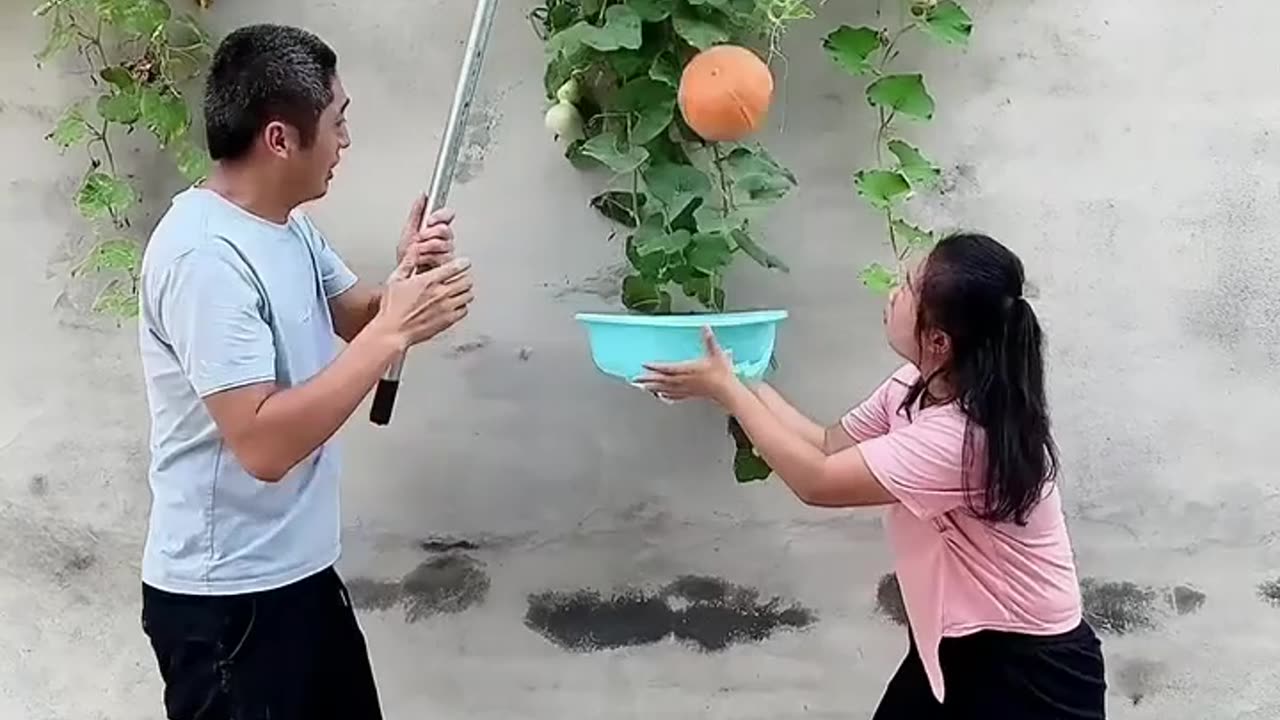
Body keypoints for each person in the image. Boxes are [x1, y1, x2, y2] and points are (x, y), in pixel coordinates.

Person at [136, 23, 473, 719]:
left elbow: (357, 315)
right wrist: (391, 332)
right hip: (226, 606)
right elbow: (263, 445)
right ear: (280, 138)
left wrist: (406, 278)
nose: (345, 139)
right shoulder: (204, 260)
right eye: (337, 121)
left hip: (300, 579)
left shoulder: (284, 226)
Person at [638, 233, 1107, 718]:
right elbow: (825, 444)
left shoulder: (962, 439)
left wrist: (729, 393)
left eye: (907, 287)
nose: (892, 294)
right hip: (955, 644)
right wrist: (739, 380)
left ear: (938, 340)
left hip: (1030, 672)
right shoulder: (916, 386)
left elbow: (816, 483)